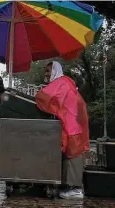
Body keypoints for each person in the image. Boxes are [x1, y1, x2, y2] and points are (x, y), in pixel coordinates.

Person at [35, 61, 90, 199]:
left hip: (72, 124)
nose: (46, 74)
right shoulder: (64, 82)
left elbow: (43, 97)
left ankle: (75, 189)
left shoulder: (60, 83)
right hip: (73, 122)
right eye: (46, 71)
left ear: (55, 70)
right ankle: (69, 186)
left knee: (73, 155)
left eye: (48, 71)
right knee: (69, 155)